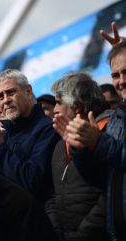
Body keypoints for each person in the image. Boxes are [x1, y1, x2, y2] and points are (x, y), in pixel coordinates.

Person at [56, 27, 126, 240]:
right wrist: (82, 150)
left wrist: (98, 142)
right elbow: (101, 180)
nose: (121, 81)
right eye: (115, 75)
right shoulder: (117, 118)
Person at [0, 69, 60, 202]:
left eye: (11, 92)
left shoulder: (49, 129)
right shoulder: (5, 133)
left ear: (27, 91)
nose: (6, 100)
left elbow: (32, 182)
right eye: (0, 97)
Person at [49, 72, 109, 241]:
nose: (55, 109)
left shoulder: (110, 133)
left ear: (77, 107)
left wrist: (83, 235)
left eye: (59, 103)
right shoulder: (59, 145)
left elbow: (112, 193)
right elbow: (53, 195)